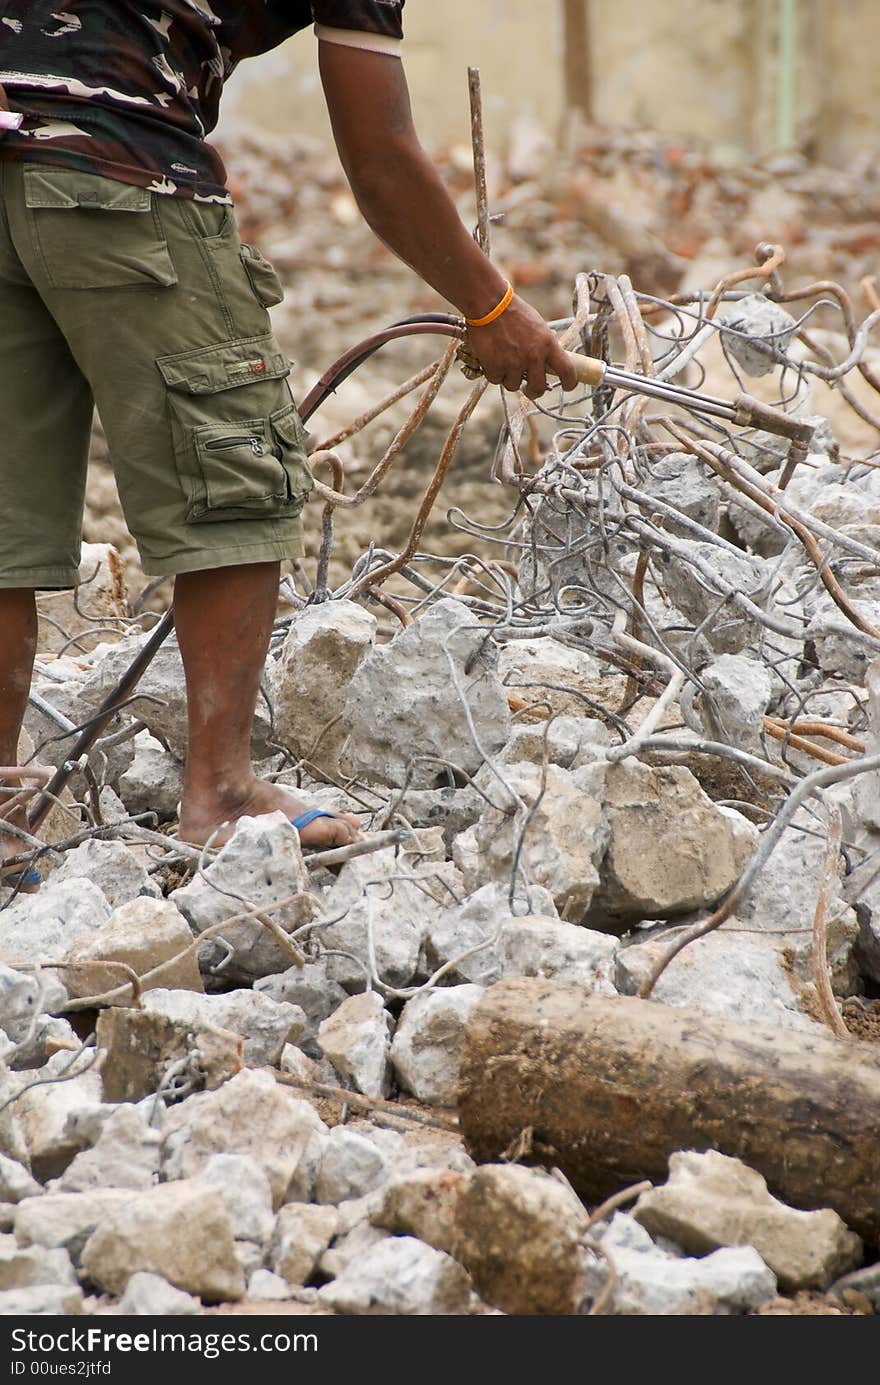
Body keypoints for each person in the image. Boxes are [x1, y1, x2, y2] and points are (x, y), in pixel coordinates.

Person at [0, 2, 577, 883]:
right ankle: (222, 795)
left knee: (4, 507)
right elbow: (379, 159)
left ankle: (2, 817)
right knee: (232, 466)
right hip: (114, 159)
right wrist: (491, 306)